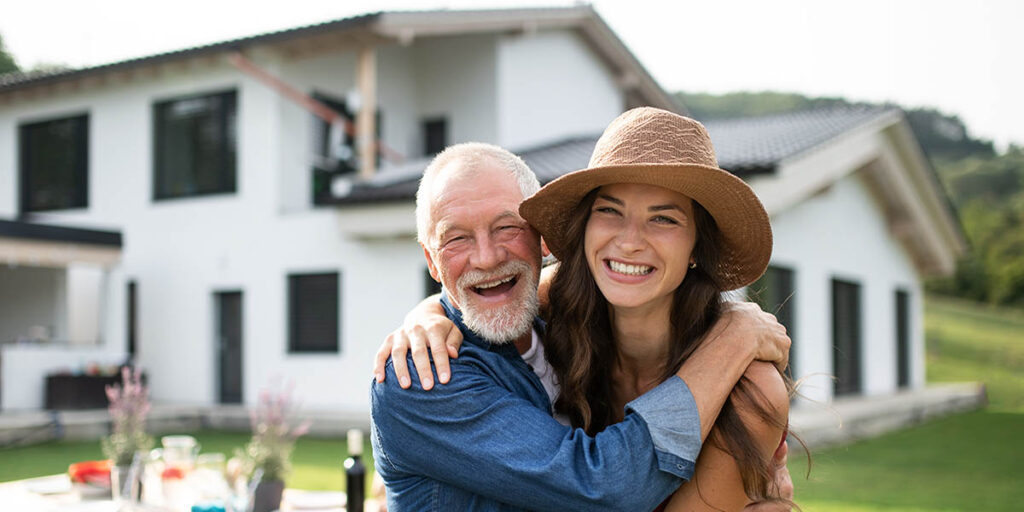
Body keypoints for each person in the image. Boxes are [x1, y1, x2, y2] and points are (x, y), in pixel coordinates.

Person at [370, 140, 792, 511]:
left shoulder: (563, 314)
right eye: (456, 238)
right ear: (431, 261)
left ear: (542, 240)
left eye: (507, 228)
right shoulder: (422, 374)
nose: (486, 257)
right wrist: (734, 339)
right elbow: (603, 488)